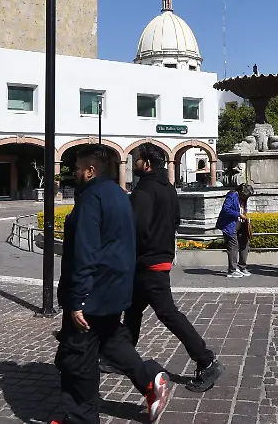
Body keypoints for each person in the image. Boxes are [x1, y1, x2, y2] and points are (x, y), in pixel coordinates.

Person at [52, 148, 171, 424]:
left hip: (92, 290)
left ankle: (80, 418)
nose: (74, 173)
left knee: (77, 355)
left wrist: (78, 298)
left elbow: (85, 250)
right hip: (114, 286)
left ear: (90, 170)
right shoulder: (119, 194)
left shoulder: (91, 199)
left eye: (78, 168)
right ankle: (149, 379)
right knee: (110, 340)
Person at [119, 144, 222, 393]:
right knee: (132, 309)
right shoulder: (168, 187)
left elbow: (136, 229)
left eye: (137, 159)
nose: (134, 163)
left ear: (147, 164)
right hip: (159, 256)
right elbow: (176, 220)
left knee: (167, 313)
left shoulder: (144, 190)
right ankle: (121, 355)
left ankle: (206, 360)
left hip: (148, 261)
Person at [216, 184, 251, 278]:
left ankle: (242, 266)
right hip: (229, 225)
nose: (246, 198)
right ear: (241, 192)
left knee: (245, 244)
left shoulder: (244, 198)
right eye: (245, 196)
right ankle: (232, 270)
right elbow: (226, 209)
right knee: (233, 247)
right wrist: (238, 214)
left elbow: (243, 208)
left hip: (241, 225)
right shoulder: (232, 195)